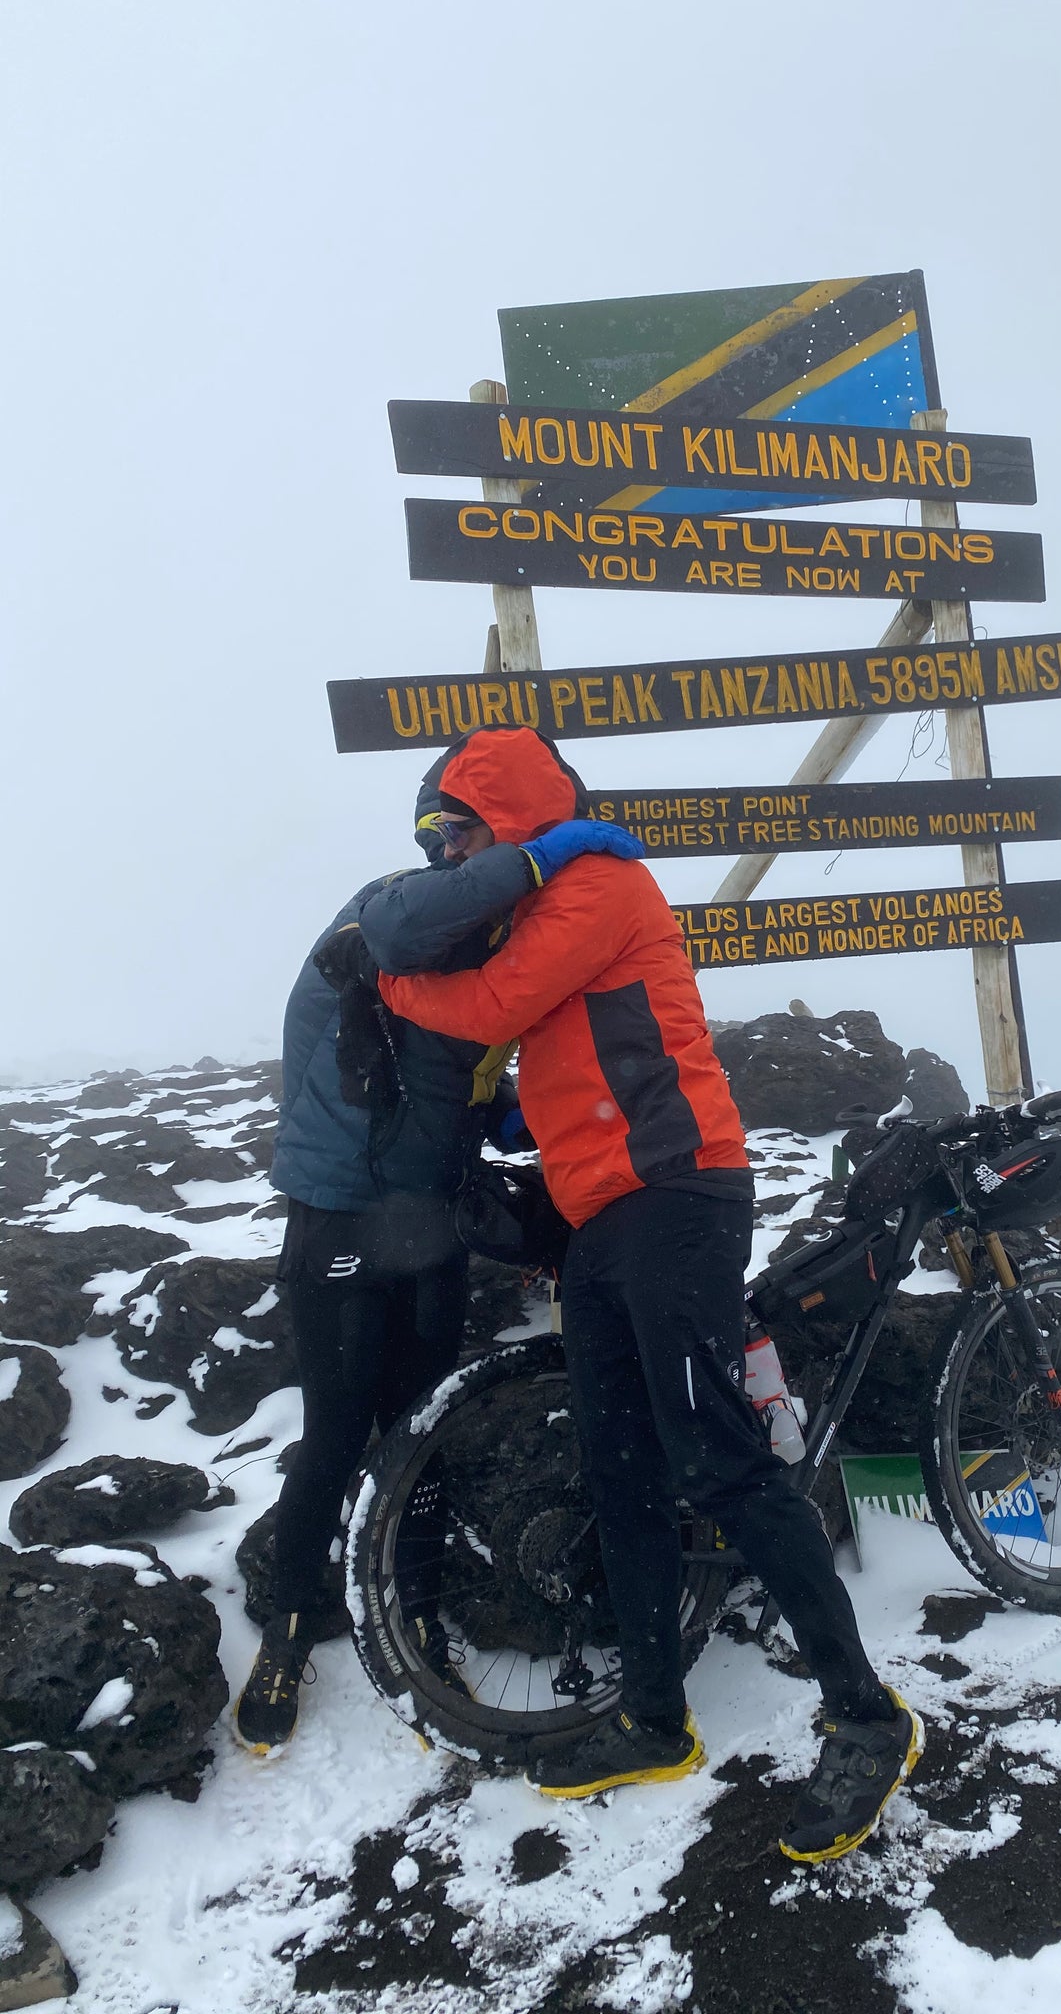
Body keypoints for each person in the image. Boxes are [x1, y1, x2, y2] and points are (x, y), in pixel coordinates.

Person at [375, 724, 921, 1863]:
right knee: (619, 1468)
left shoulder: (600, 883)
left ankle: (867, 1714)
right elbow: (566, 1044)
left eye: (459, 828)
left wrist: (376, 968)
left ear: (509, 812)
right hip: (603, 1217)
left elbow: (491, 1003)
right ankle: (653, 1719)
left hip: (679, 1195)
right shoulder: (543, 908)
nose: (447, 854)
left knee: (718, 1457)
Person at [234, 751, 642, 1755]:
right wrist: (551, 851)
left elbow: (443, 1071)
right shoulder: (395, 905)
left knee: (420, 1427)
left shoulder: (474, 945)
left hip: (425, 1225)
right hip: (336, 1218)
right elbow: (401, 932)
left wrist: (504, 1114)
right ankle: (291, 1623)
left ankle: (412, 1608)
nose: (451, 851)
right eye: (446, 835)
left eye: (465, 833)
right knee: (335, 1430)